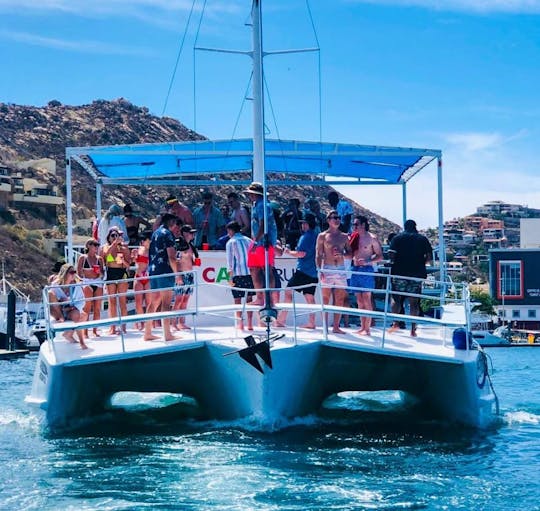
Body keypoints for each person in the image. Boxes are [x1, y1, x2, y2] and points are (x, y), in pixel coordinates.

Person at [388, 219, 433, 337]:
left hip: (399, 273)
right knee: (414, 303)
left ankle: (395, 324)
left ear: (404, 227)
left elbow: (391, 255)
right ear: (415, 227)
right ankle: (413, 329)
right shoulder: (422, 239)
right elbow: (429, 257)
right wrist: (421, 263)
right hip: (416, 274)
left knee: (396, 299)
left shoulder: (397, 238)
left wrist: (396, 261)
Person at [276, 213, 319, 329]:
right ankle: (311, 322)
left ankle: (281, 319)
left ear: (307, 224)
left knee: (288, 291)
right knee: (309, 296)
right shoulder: (316, 236)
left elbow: (301, 254)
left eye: (303, 223)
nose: (302, 225)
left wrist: (288, 251)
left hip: (303, 270)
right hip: (313, 271)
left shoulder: (305, 237)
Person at [144, 213, 180, 341]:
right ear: (171, 222)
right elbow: (171, 256)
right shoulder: (167, 234)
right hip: (165, 270)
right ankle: (167, 334)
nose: (176, 226)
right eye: (175, 223)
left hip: (154, 270)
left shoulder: (156, 233)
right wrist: (177, 275)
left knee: (154, 302)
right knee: (166, 302)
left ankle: (147, 332)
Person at [316, 210, 352, 334]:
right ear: (328, 220)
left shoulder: (344, 236)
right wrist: (319, 269)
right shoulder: (322, 236)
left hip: (340, 268)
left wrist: (342, 254)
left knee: (340, 298)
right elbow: (318, 254)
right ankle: (325, 326)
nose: (337, 219)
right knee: (325, 298)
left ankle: (336, 326)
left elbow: (350, 254)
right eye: (334, 217)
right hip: (327, 268)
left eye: (338, 217)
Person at [245, 182, 278, 306]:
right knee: (254, 268)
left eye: (251, 194)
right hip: (258, 241)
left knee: (266, 269)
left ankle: (269, 299)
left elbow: (263, 224)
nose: (250, 196)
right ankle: (260, 297)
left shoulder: (262, 206)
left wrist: (256, 240)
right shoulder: (256, 205)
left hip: (264, 241)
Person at [349, 215, 383, 335]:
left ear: (363, 225)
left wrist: (368, 261)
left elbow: (380, 256)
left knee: (367, 299)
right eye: (353, 224)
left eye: (356, 224)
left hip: (366, 270)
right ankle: (362, 326)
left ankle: (367, 328)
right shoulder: (353, 237)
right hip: (355, 269)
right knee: (359, 299)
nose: (354, 226)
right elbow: (348, 253)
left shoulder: (372, 238)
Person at [48, 263, 88, 349]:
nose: (74, 274)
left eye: (75, 272)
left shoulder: (76, 286)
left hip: (71, 310)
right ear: (65, 273)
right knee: (50, 293)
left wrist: (69, 305)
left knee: (81, 315)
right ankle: (62, 320)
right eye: (71, 272)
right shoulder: (55, 285)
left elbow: (81, 301)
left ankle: (76, 339)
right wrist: (61, 301)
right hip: (58, 311)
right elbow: (52, 300)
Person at [225, 221, 255, 331]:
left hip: (238, 274)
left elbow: (230, 263)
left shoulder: (231, 242)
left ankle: (240, 324)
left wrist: (229, 278)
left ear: (231, 230)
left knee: (237, 299)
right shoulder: (249, 241)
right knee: (250, 299)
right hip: (250, 273)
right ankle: (250, 324)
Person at [101, 226, 131, 334]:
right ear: (108, 237)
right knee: (112, 302)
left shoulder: (124, 248)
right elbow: (106, 255)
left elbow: (128, 264)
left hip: (121, 273)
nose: (115, 237)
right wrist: (114, 244)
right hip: (111, 273)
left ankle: (123, 327)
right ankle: (112, 327)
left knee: (122, 302)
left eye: (117, 235)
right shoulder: (106, 247)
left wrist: (123, 261)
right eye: (113, 235)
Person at [76, 238, 104, 337]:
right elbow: (78, 273)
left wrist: (98, 272)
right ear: (88, 246)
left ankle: (95, 330)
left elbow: (103, 274)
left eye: (97, 245)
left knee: (97, 308)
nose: (97, 247)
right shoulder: (83, 258)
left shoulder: (99, 259)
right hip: (86, 282)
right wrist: (87, 272)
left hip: (98, 283)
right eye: (94, 245)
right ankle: (85, 332)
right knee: (87, 308)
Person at [172, 224, 198, 330]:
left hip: (189, 274)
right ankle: (173, 323)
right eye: (191, 233)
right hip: (182, 274)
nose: (193, 235)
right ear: (186, 234)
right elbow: (177, 260)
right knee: (178, 300)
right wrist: (178, 276)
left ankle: (181, 322)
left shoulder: (191, 245)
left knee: (185, 299)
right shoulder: (180, 244)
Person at [132, 230, 152, 330]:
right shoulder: (138, 250)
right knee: (138, 302)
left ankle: (148, 322)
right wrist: (134, 258)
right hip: (139, 276)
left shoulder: (153, 251)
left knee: (149, 302)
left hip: (148, 277)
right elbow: (133, 262)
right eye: (148, 240)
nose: (149, 242)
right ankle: (141, 322)